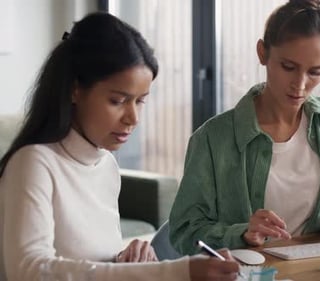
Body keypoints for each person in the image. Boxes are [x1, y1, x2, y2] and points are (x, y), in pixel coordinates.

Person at [0, 12, 239, 281]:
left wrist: (125, 259)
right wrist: (174, 271)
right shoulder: (33, 163)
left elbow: (89, 262)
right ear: (75, 90)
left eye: (139, 101)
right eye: (117, 101)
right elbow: (28, 270)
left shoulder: (105, 165)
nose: (133, 118)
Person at [169, 0, 320, 255]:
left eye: (315, 72)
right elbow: (184, 231)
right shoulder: (211, 140)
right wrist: (240, 233)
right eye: (288, 67)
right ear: (262, 53)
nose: (300, 84)